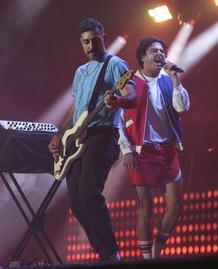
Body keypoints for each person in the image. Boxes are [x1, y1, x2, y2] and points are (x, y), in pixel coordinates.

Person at [48, 18, 137, 261]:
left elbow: (133, 95)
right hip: (77, 138)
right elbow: (76, 110)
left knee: (88, 191)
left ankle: (111, 254)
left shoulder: (116, 65)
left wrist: (118, 101)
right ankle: (105, 254)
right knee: (76, 203)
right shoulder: (80, 72)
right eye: (86, 42)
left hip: (102, 134)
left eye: (95, 40)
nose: (91, 46)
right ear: (81, 43)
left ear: (103, 37)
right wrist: (59, 134)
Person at [118, 36, 190, 259]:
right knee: (145, 207)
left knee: (175, 205)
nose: (160, 55)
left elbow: (183, 107)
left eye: (162, 51)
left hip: (167, 150)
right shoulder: (130, 82)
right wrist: (126, 149)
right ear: (143, 56)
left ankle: (159, 249)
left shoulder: (168, 80)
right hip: (143, 151)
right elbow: (117, 120)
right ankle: (147, 259)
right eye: (154, 51)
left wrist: (176, 80)